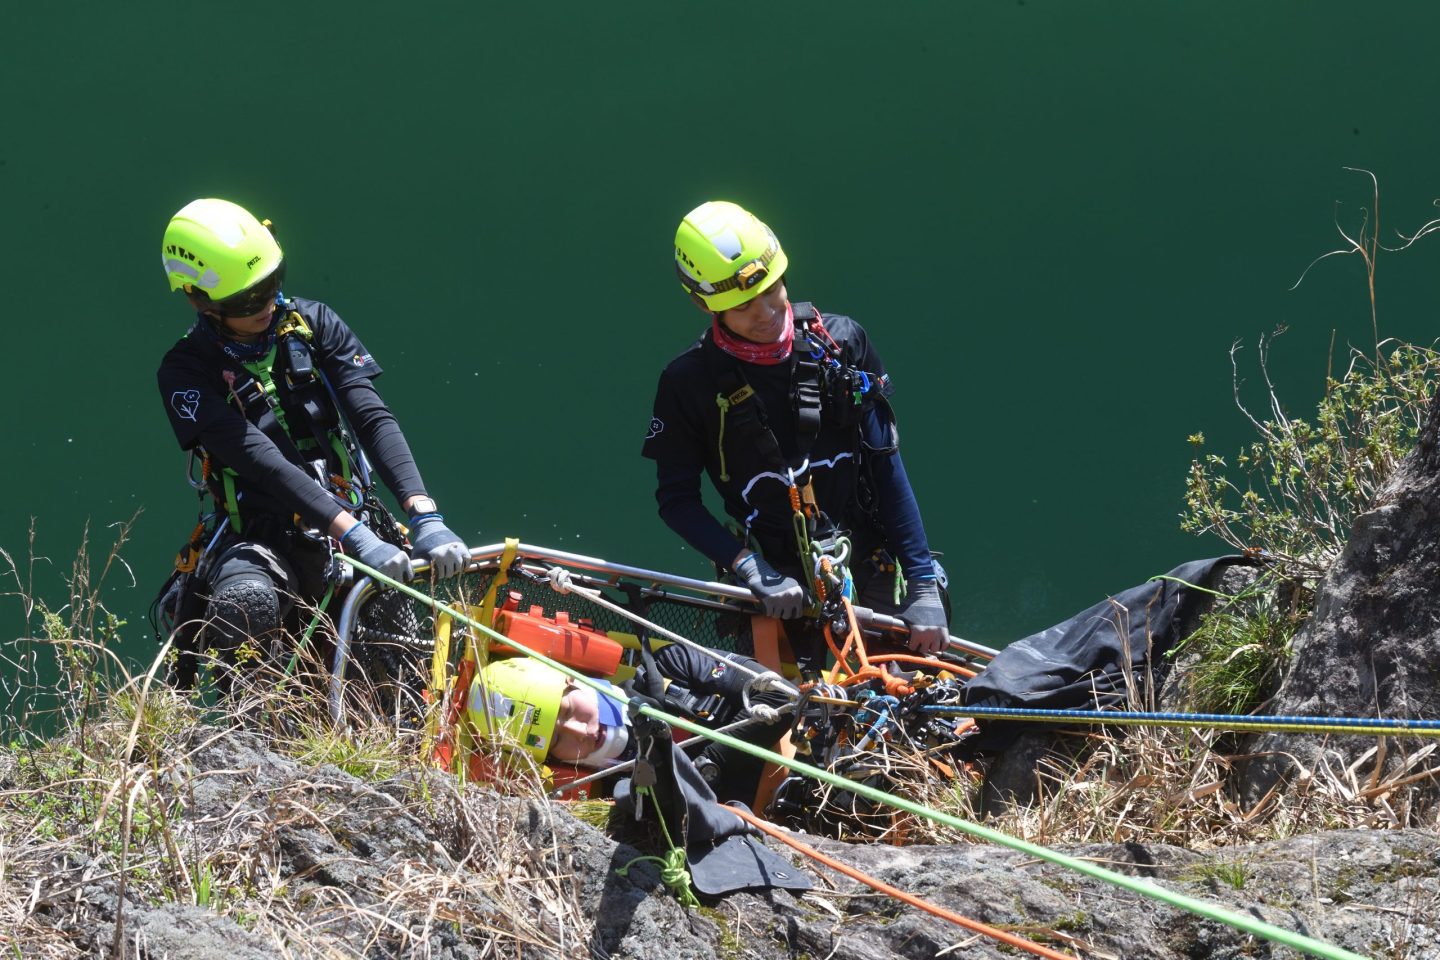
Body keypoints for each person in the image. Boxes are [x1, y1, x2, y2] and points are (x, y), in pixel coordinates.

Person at [155, 197, 469, 691]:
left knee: (397, 677)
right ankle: (256, 731)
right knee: (245, 603)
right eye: (244, 301)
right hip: (260, 533)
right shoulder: (185, 372)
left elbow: (370, 415)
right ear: (197, 298)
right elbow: (261, 462)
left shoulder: (314, 323)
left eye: (271, 287)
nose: (264, 306)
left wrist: (424, 514)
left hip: (352, 519)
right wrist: (353, 535)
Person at [641, 200, 950, 672]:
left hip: (870, 555)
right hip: (772, 575)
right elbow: (676, 499)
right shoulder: (688, 383)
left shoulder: (841, 344)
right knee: (783, 711)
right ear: (703, 304)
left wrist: (923, 582)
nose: (765, 312)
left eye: (771, 289)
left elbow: (886, 465)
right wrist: (747, 566)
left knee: (911, 693)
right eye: (743, 305)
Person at [468, 644, 791, 805]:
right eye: (557, 740)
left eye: (567, 710)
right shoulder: (612, 804)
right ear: (555, 761)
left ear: (571, 679)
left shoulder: (671, 666)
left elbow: (780, 698)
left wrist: (704, 766)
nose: (582, 731)